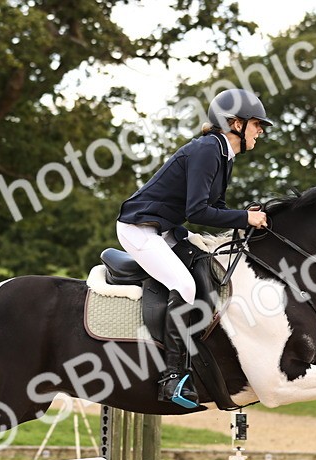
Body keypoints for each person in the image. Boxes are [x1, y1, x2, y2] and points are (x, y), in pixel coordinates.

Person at [116, 89, 272, 408]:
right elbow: (198, 211)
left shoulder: (222, 154)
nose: (261, 130)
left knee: (204, 267)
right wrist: (246, 218)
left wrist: (246, 215)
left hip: (166, 229)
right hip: (140, 228)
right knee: (184, 285)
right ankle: (172, 378)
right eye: (257, 124)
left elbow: (217, 207)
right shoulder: (207, 150)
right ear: (235, 124)